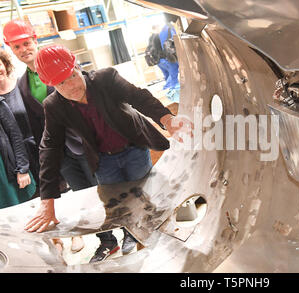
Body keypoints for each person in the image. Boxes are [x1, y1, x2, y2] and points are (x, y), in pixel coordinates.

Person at [24, 44, 192, 262]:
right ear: (52, 85)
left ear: (77, 66)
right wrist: (47, 201)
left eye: (72, 76)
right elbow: (50, 147)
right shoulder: (54, 105)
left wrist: (167, 119)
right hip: (102, 159)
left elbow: (139, 97)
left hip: (133, 148)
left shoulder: (106, 79)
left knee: (144, 195)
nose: (71, 86)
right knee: (118, 206)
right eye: (61, 83)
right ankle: (132, 237)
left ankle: (158, 239)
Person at [3, 19, 89, 253]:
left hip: (83, 144)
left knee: (101, 191)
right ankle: (98, 238)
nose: (23, 50)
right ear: (11, 49)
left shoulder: (64, 63)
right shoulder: (22, 85)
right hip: (58, 151)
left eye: (26, 43)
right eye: (17, 47)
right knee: (74, 196)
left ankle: (127, 235)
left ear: (35, 40)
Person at [0, 52, 35, 208]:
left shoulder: (21, 85)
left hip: (33, 149)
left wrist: (22, 168)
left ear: (5, 65)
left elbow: (14, 134)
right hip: (14, 158)